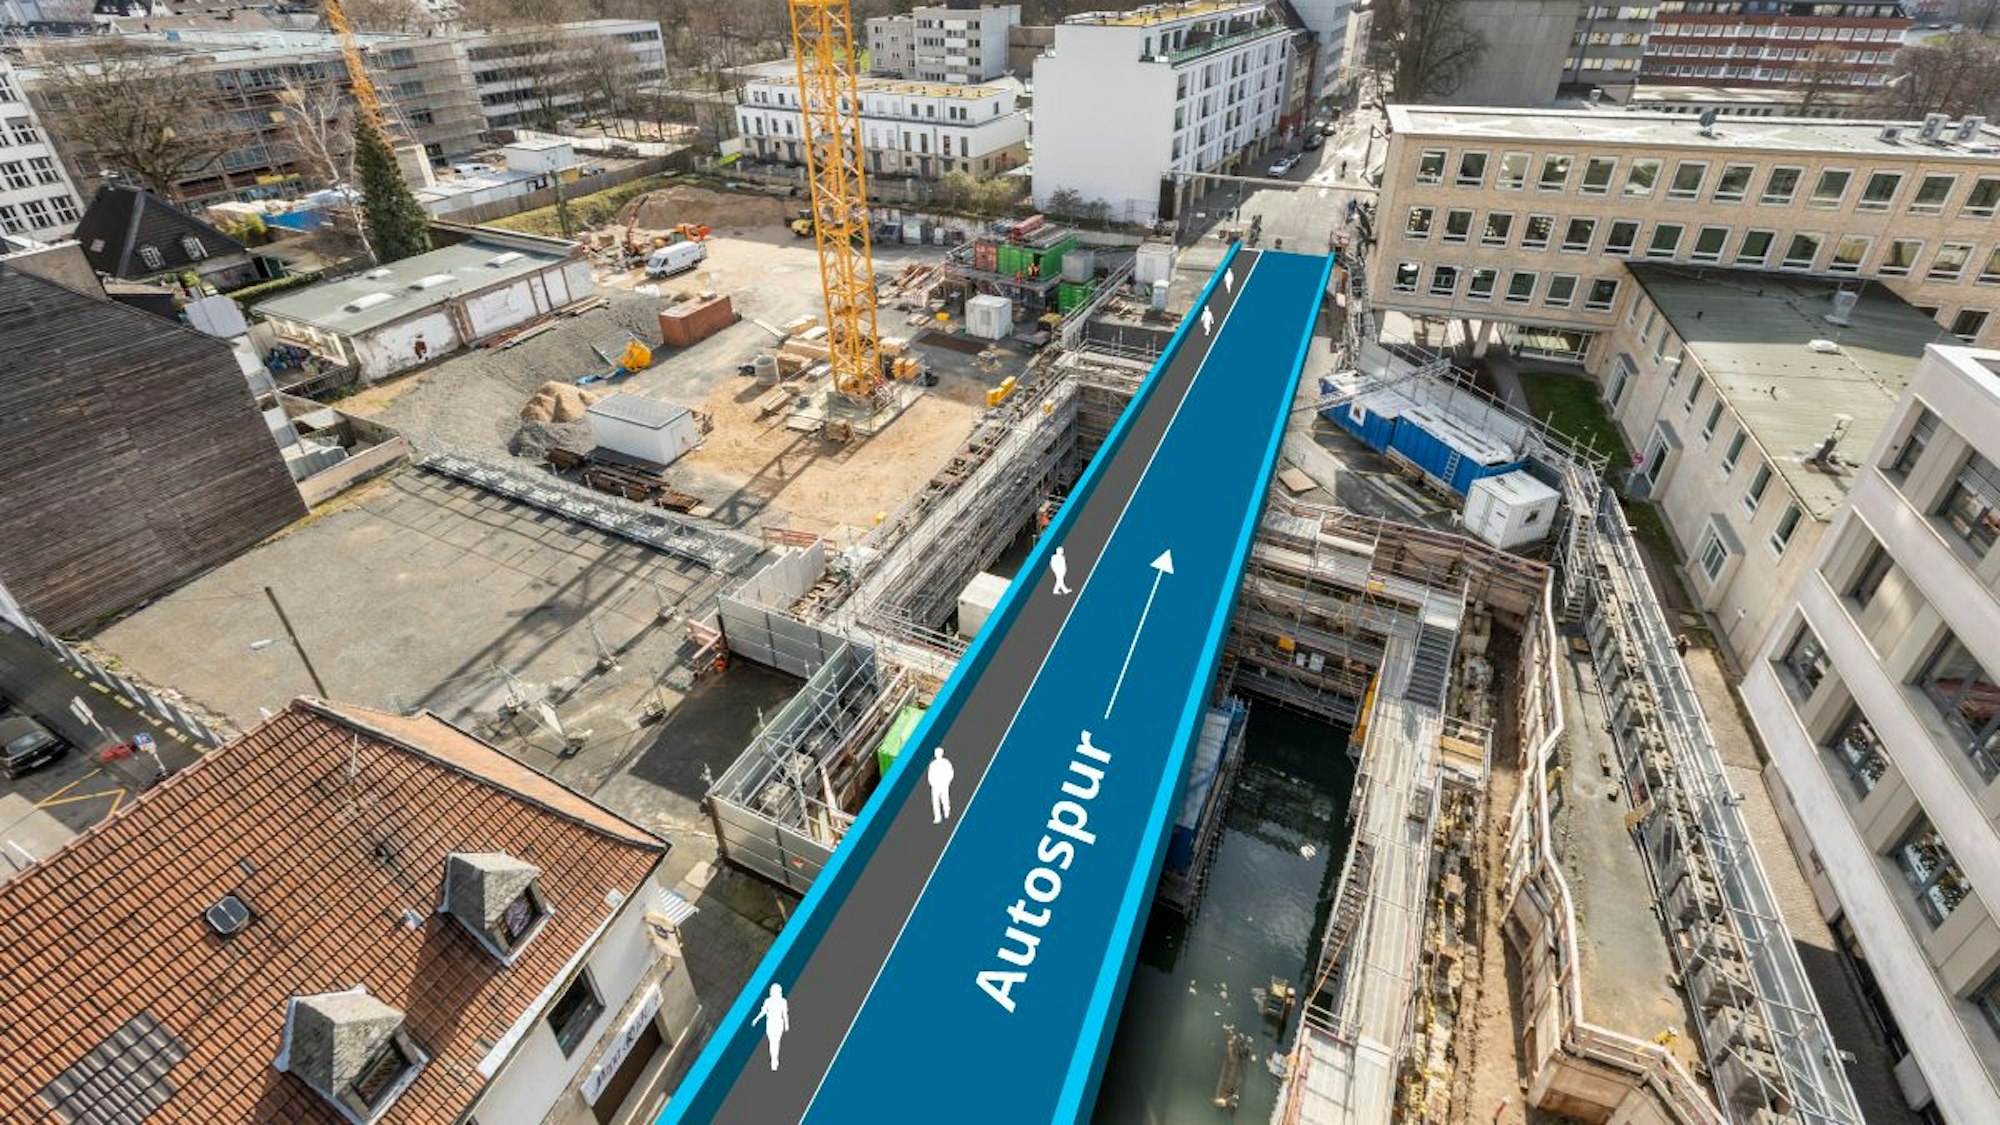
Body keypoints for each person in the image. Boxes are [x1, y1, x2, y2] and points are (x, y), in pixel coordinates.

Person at [751, 984, 790, 1071]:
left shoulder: (783, 1001)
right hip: (770, 1024)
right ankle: (774, 1058)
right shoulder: (768, 1001)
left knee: (775, 1042)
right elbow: (763, 1012)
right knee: (772, 1042)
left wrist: (787, 1024)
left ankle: (774, 1060)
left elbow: (785, 1014)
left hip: (778, 1024)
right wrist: (756, 1019)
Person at [927, 747, 956, 824]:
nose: (937, 754)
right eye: (936, 753)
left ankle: (947, 812)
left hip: (943, 784)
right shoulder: (932, 764)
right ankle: (937, 817)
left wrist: (947, 782)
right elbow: (930, 775)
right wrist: (932, 783)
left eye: (938, 753)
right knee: (935, 801)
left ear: (941, 753)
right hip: (935, 785)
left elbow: (951, 773)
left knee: (945, 799)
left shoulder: (946, 762)